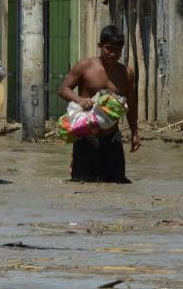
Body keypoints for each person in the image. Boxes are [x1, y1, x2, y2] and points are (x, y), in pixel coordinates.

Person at [58, 25, 140, 183]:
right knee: (83, 184)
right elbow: (63, 89)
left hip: (112, 137)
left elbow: (131, 103)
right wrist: (80, 100)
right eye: (108, 48)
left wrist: (135, 132)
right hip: (86, 138)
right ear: (100, 46)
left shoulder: (126, 74)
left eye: (117, 50)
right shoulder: (85, 67)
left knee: (118, 185)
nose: (112, 54)